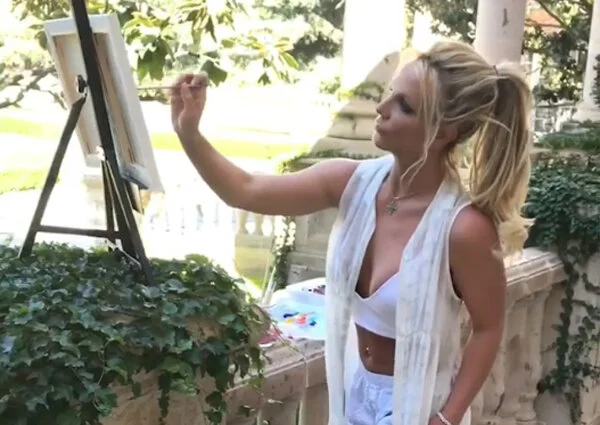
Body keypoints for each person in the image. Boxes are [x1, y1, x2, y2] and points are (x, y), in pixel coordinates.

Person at [170, 39, 533, 425]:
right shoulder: (351, 183)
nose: (381, 108)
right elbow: (247, 190)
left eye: (404, 106)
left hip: (418, 404)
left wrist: (447, 417)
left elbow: (488, 328)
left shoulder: (463, 228)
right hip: (352, 395)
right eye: (390, 93)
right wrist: (189, 134)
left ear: (444, 131)